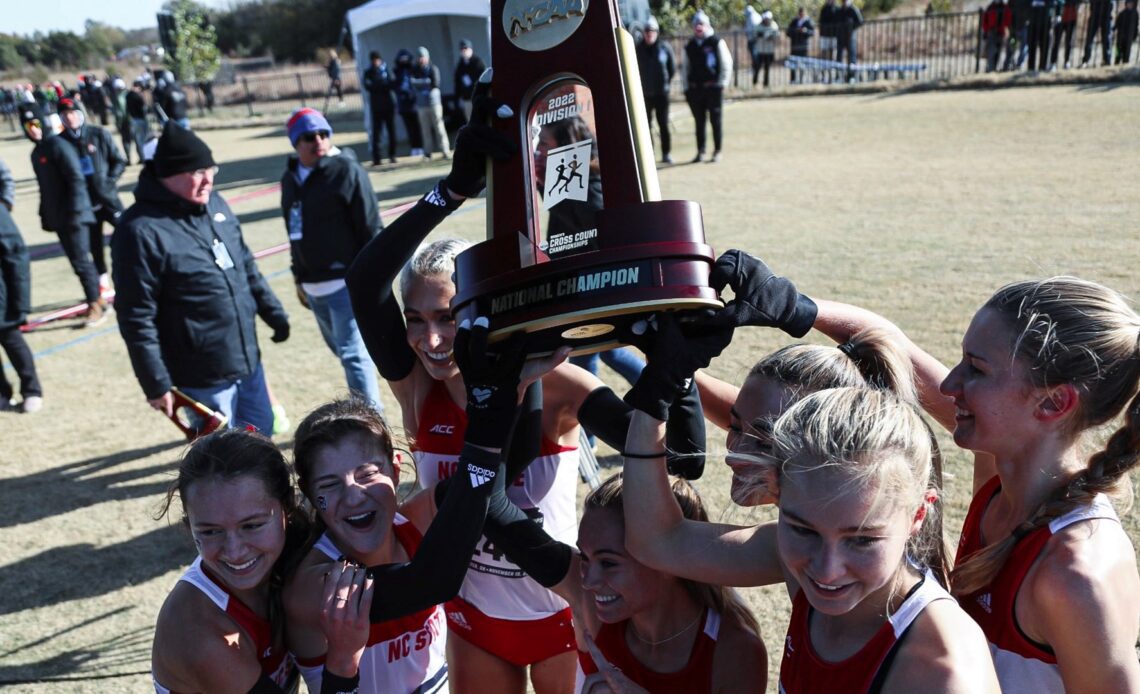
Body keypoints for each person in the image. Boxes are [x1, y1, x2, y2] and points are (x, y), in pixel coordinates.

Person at [346, 79, 706, 693]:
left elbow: (675, 458)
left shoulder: (563, 387)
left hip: (564, 614)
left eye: (448, 318)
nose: (432, 341)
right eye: (417, 321)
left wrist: (674, 362)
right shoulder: (414, 388)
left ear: (480, 308)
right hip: (471, 621)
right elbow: (365, 281)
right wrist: (450, 191)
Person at [801, 276, 1140, 691]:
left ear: (1054, 402)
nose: (949, 385)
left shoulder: (1075, 572)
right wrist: (792, 306)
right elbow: (894, 346)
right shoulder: (1002, 478)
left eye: (976, 369)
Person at [620, 332, 1000, 691]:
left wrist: (810, 311)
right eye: (801, 529)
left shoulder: (942, 672)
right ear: (778, 487)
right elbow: (657, 540)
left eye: (863, 539)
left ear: (919, 515)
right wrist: (654, 400)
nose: (826, 569)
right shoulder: (796, 559)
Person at [284, 316, 570, 692]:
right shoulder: (314, 584)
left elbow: (501, 466)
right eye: (329, 485)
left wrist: (519, 370)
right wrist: (486, 423)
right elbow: (432, 581)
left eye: (368, 474)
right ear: (307, 491)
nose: (354, 495)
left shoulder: (412, 519)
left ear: (396, 468)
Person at [479, 473, 768, 693]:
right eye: (585, 558)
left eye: (609, 563)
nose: (589, 581)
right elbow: (494, 507)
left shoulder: (732, 650)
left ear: (666, 558)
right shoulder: (588, 601)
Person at [152, 428, 371, 693]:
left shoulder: (295, 549)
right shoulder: (200, 634)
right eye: (210, 531)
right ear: (189, 526)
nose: (234, 552)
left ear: (287, 506)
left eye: (252, 525)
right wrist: (344, 658)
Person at [112, 123, 291, 435]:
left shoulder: (216, 204)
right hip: (201, 374)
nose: (208, 179)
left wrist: (272, 312)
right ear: (167, 175)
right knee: (221, 461)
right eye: (197, 172)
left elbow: (244, 265)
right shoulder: (139, 230)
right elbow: (136, 315)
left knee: (261, 442)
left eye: (210, 169)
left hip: (248, 360)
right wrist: (155, 382)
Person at [280, 108, 384, 414]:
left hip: (345, 282)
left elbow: (370, 227)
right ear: (295, 143)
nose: (318, 141)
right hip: (313, 285)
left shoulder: (347, 170)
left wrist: (373, 277)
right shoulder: (290, 178)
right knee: (341, 351)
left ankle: (371, 421)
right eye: (309, 137)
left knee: (353, 354)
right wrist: (298, 275)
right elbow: (292, 229)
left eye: (323, 134)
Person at [18, 102, 105, 327]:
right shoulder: (37, 153)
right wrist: (45, 214)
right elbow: (45, 188)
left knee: (81, 261)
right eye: (28, 125)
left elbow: (76, 178)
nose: (33, 129)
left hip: (75, 215)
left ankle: (95, 304)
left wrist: (75, 211)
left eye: (36, 123)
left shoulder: (57, 145)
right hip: (59, 217)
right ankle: (94, 295)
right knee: (77, 262)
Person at [57, 97, 126, 297]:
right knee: (94, 246)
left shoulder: (99, 134)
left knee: (127, 234)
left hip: (109, 199)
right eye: (65, 115)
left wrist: (108, 181)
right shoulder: (60, 143)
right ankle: (103, 283)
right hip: (85, 205)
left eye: (73, 113)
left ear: (80, 114)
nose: (70, 118)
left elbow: (119, 161)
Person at [0, 169, 42, 414]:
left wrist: (20, 301)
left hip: (2, 298)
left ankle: (32, 389)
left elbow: (16, 253)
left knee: (11, 339)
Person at [683, 11, 731, 164]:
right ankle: (700, 151)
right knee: (699, 121)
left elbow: (726, 63)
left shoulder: (716, 41)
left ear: (707, 25)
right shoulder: (690, 45)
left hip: (713, 87)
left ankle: (717, 151)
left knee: (715, 120)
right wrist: (686, 87)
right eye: (696, 24)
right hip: (696, 89)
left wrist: (722, 83)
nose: (698, 27)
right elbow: (685, 68)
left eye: (701, 24)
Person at [636, 16, 676, 164]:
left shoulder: (665, 48)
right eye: (647, 31)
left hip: (661, 94)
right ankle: (649, 155)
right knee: (646, 126)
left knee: (663, 124)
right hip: (644, 94)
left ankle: (666, 153)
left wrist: (665, 84)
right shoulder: (638, 49)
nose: (649, 33)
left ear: (657, 32)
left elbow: (671, 69)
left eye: (652, 31)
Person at [410, 47, 451, 160]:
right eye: (419, 57)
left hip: (434, 103)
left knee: (439, 126)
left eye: (423, 57)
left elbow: (435, 84)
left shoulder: (433, 69)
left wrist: (421, 83)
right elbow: (413, 83)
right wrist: (425, 82)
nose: (421, 59)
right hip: (421, 105)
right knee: (425, 129)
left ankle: (445, 150)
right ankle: (427, 152)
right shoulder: (415, 70)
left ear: (427, 57)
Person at [362, 51, 398, 166]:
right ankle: (377, 158)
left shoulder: (387, 71)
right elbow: (368, 86)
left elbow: (392, 84)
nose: (375, 62)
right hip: (376, 108)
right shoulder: (368, 73)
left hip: (388, 106)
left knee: (391, 132)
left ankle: (392, 155)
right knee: (376, 134)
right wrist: (381, 84)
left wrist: (378, 85)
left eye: (377, 60)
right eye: (373, 60)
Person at [394, 49, 425, 158]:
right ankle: (414, 148)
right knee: (409, 128)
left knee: (417, 127)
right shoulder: (397, 71)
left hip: (414, 103)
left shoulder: (413, 69)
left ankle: (420, 147)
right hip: (403, 105)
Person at [454, 39, 486, 124]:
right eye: (462, 49)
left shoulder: (478, 62)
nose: (464, 51)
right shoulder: (460, 65)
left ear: (470, 49)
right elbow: (457, 82)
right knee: (470, 122)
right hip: (467, 99)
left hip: (477, 98)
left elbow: (484, 79)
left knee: (481, 120)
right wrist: (457, 98)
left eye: (466, 49)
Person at [836, 0, 865, 82]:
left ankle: (851, 76)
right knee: (839, 57)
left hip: (850, 36)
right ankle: (839, 76)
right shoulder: (840, 10)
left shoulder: (853, 9)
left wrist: (851, 27)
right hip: (840, 36)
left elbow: (860, 21)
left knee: (851, 57)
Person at [786, 7, 816, 83]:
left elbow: (812, 32)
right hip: (794, 46)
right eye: (800, 13)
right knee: (793, 63)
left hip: (803, 46)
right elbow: (788, 32)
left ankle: (801, 79)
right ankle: (793, 79)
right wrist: (796, 30)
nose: (801, 15)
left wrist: (805, 31)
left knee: (803, 64)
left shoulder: (808, 21)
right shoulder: (794, 21)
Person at [1082, 0, 1115, 66]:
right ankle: (1086, 60)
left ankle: (1107, 60)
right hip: (1095, 13)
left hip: (1106, 13)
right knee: (1089, 39)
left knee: (1106, 39)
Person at [983, 0, 1013, 71]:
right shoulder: (990, 7)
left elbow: (1008, 20)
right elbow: (985, 21)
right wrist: (986, 31)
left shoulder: (1005, 7)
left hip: (1001, 32)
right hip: (991, 32)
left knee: (998, 52)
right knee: (991, 52)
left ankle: (994, 68)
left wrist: (1006, 29)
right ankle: (990, 69)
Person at [754, 12, 781, 89]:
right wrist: (762, 35)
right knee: (757, 67)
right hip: (761, 51)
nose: (767, 20)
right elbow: (755, 34)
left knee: (767, 68)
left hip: (769, 51)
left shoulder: (774, 25)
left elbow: (777, 35)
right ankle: (755, 82)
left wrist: (771, 36)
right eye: (765, 19)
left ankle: (766, 84)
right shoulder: (759, 26)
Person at [1025, 0, 1054, 71]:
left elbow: (1051, 4)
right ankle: (1031, 67)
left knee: (1044, 44)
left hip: (1045, 20)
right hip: (1032, 19)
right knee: (1031, 44)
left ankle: (1042, 67)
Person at [1050, 0, 1080, 68]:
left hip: (1071, 18)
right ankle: (1053, 63)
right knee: (1056, 42)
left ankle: (1067, 61)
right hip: (1059, 19)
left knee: (1068, 41)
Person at [126, 80, 149, 163]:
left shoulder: (128, 95)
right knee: (142, 140)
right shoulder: (137, 95)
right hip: (140, 119)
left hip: (134, 119)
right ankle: (144, 158)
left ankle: (142, 157)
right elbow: (144, 105)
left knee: (138, 140)